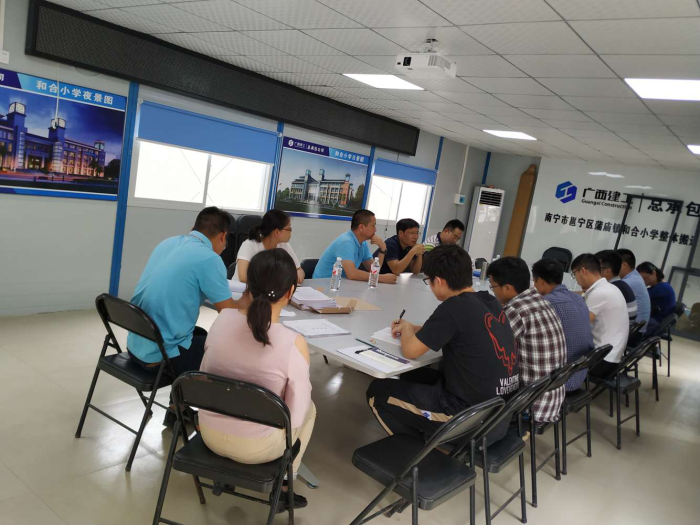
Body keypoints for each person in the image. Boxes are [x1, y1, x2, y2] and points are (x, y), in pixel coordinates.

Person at [199, 249, 315, 512]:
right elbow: (295, 417)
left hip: (209, 434)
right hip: (257, 449)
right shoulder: (293, 342)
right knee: (310, 409)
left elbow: (205, 377)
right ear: (290, 292)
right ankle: (284, 488)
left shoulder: (222, 319)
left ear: (248, 284)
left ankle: (226, 475)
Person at [366, 245, 519, 442]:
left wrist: (407, 329)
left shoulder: (453, 307)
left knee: (378, 391)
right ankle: (426, 431)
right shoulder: (488, 300)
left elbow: (411, 351)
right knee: (411, 375)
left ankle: (420, 450)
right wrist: (413, 328)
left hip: (470, 420)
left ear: (438, 281)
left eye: (429, 281)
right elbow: (453, 328)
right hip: (499, 414)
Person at [127, 207, 243, 379]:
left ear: (194, 228)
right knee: (224, 350)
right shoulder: (210, 258)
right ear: (223, 236)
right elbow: (227, 312)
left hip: (136, 345)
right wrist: (248, 300)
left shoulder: (167, 243)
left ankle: (181, 396)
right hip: (160, 356)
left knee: (201, 334)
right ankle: (193, 393)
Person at [487, 257, 566, 423]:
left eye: (493, 286)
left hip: (530, 404)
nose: (493, 291)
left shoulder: (515, 309)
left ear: (507, 288)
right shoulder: (540, 300)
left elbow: (487, 346)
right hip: (552, 397)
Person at [532, 258, 594, 391]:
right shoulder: (579, 299)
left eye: (534, 282)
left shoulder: (545, 303)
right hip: (580, 373)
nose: (534, 286)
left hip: (558, 381)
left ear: (540, 281)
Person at [571, 254, 629, 378]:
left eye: (574, 274)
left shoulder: (599, 293)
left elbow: (580, 327)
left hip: (603, 361)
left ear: (583, 271)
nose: (575, 279)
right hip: (612, 356)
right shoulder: (610, 288)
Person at [312, 209, 397, 284]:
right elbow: (352, 274)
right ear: (361, 227)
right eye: (373, 225)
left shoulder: (363, 243)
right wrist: (381, 278)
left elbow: (373, 270)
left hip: (340, 284)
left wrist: (382, 249)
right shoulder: (346, 242)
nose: (375, 229)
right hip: (322, 285)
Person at [234, 209, 304, 285]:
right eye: (289, 229)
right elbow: (243, 277)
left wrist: (298, 273)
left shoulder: (284, 245)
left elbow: (299, 269)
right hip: (241, 289)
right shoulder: (250, 245)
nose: (290, 233)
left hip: (267, 289)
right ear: (277, 232)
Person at [595, 250, 637, 321]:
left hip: (621, 325)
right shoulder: (621, 284)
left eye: (595, 268)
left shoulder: (610, 288)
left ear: (607, 271)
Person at [617, 248, 651, 333]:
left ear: (624, 265)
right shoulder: (635, 276)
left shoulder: (629, 282)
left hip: (633, 332)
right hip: (637, 328)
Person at [637, 262, 676, 334]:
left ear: (654, 273)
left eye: (645, 278)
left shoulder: (662, 288)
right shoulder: (661, 285)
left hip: (656, 321)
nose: (643, 281)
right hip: (656, 319)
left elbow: (639, 296)